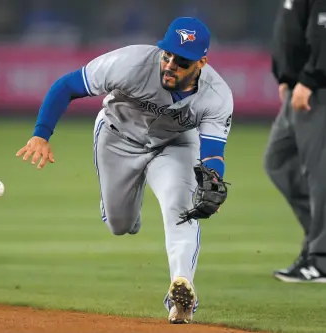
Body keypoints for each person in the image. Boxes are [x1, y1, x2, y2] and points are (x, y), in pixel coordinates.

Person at [16, 17, 233, 323]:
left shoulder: (216, 95)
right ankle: (126, 205)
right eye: (167, 54)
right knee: (120, 224)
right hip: (117, 138)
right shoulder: (130, 62)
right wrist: (41, 133)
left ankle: (180, 293)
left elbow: (212, 150)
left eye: (182, 61)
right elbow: (66, 85)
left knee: (180, 209)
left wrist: (212, 180)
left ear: (201, 62)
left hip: (175, 147)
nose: (170, 64)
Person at [264, 0, 326, 283]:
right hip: (296, 88)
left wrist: (311, 79)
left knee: (320, 176)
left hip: (316, 91)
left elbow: (322, 32)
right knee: (277, 161)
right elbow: (288, 32)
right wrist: (284, 74)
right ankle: (317, 242)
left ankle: (321, 259)